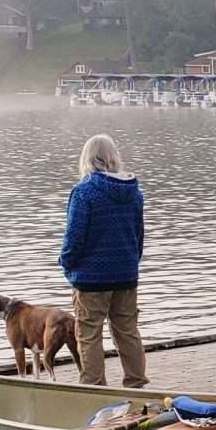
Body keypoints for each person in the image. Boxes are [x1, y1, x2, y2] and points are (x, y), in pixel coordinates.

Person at [60, 133, 147, 387]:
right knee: (127, 331)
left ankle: (94, 388)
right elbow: (138, 235)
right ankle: (137, 383)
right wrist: (131, 262)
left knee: (88, 335)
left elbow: (74, 238)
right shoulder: (134, 193)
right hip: (126, 275)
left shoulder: (84, 192)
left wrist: (66, 262)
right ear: (113, 158)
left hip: (90, 278)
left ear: (87, 158)